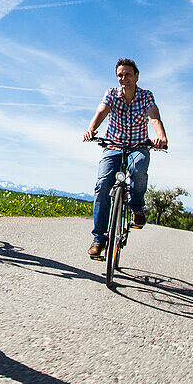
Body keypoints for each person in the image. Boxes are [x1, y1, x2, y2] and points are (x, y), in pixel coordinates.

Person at [82, 58, 168, 260]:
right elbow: (101, 111)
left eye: (128, 74)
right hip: (113, 145)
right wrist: (91, 129)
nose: (123, 78)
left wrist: (161, 136)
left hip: (138, 146)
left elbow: (153, 116)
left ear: (136, 76)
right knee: (102, 185)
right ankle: (98, 239)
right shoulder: (111, 93)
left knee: (138, 170)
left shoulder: (146, 95)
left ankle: (137, 208)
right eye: (120, 75)